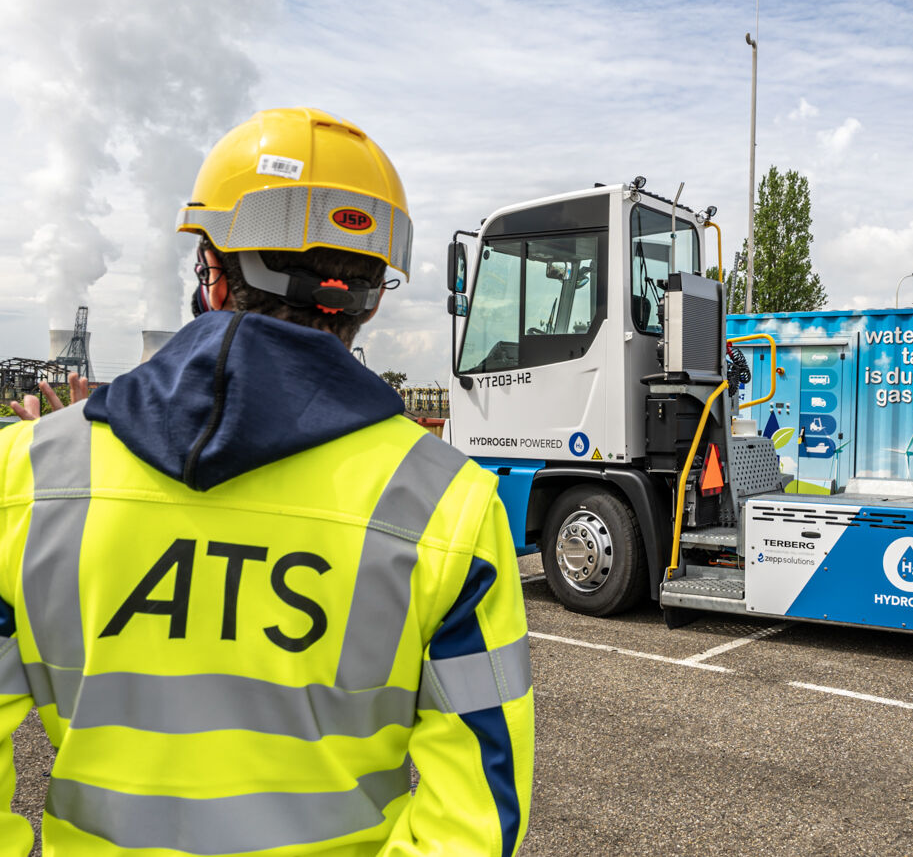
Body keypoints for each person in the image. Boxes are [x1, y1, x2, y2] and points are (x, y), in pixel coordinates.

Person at [0, 107, 533, 855]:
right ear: (371, 296)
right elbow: (475, 815)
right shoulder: (448, 504)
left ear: (212, 276)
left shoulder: (24, 476)